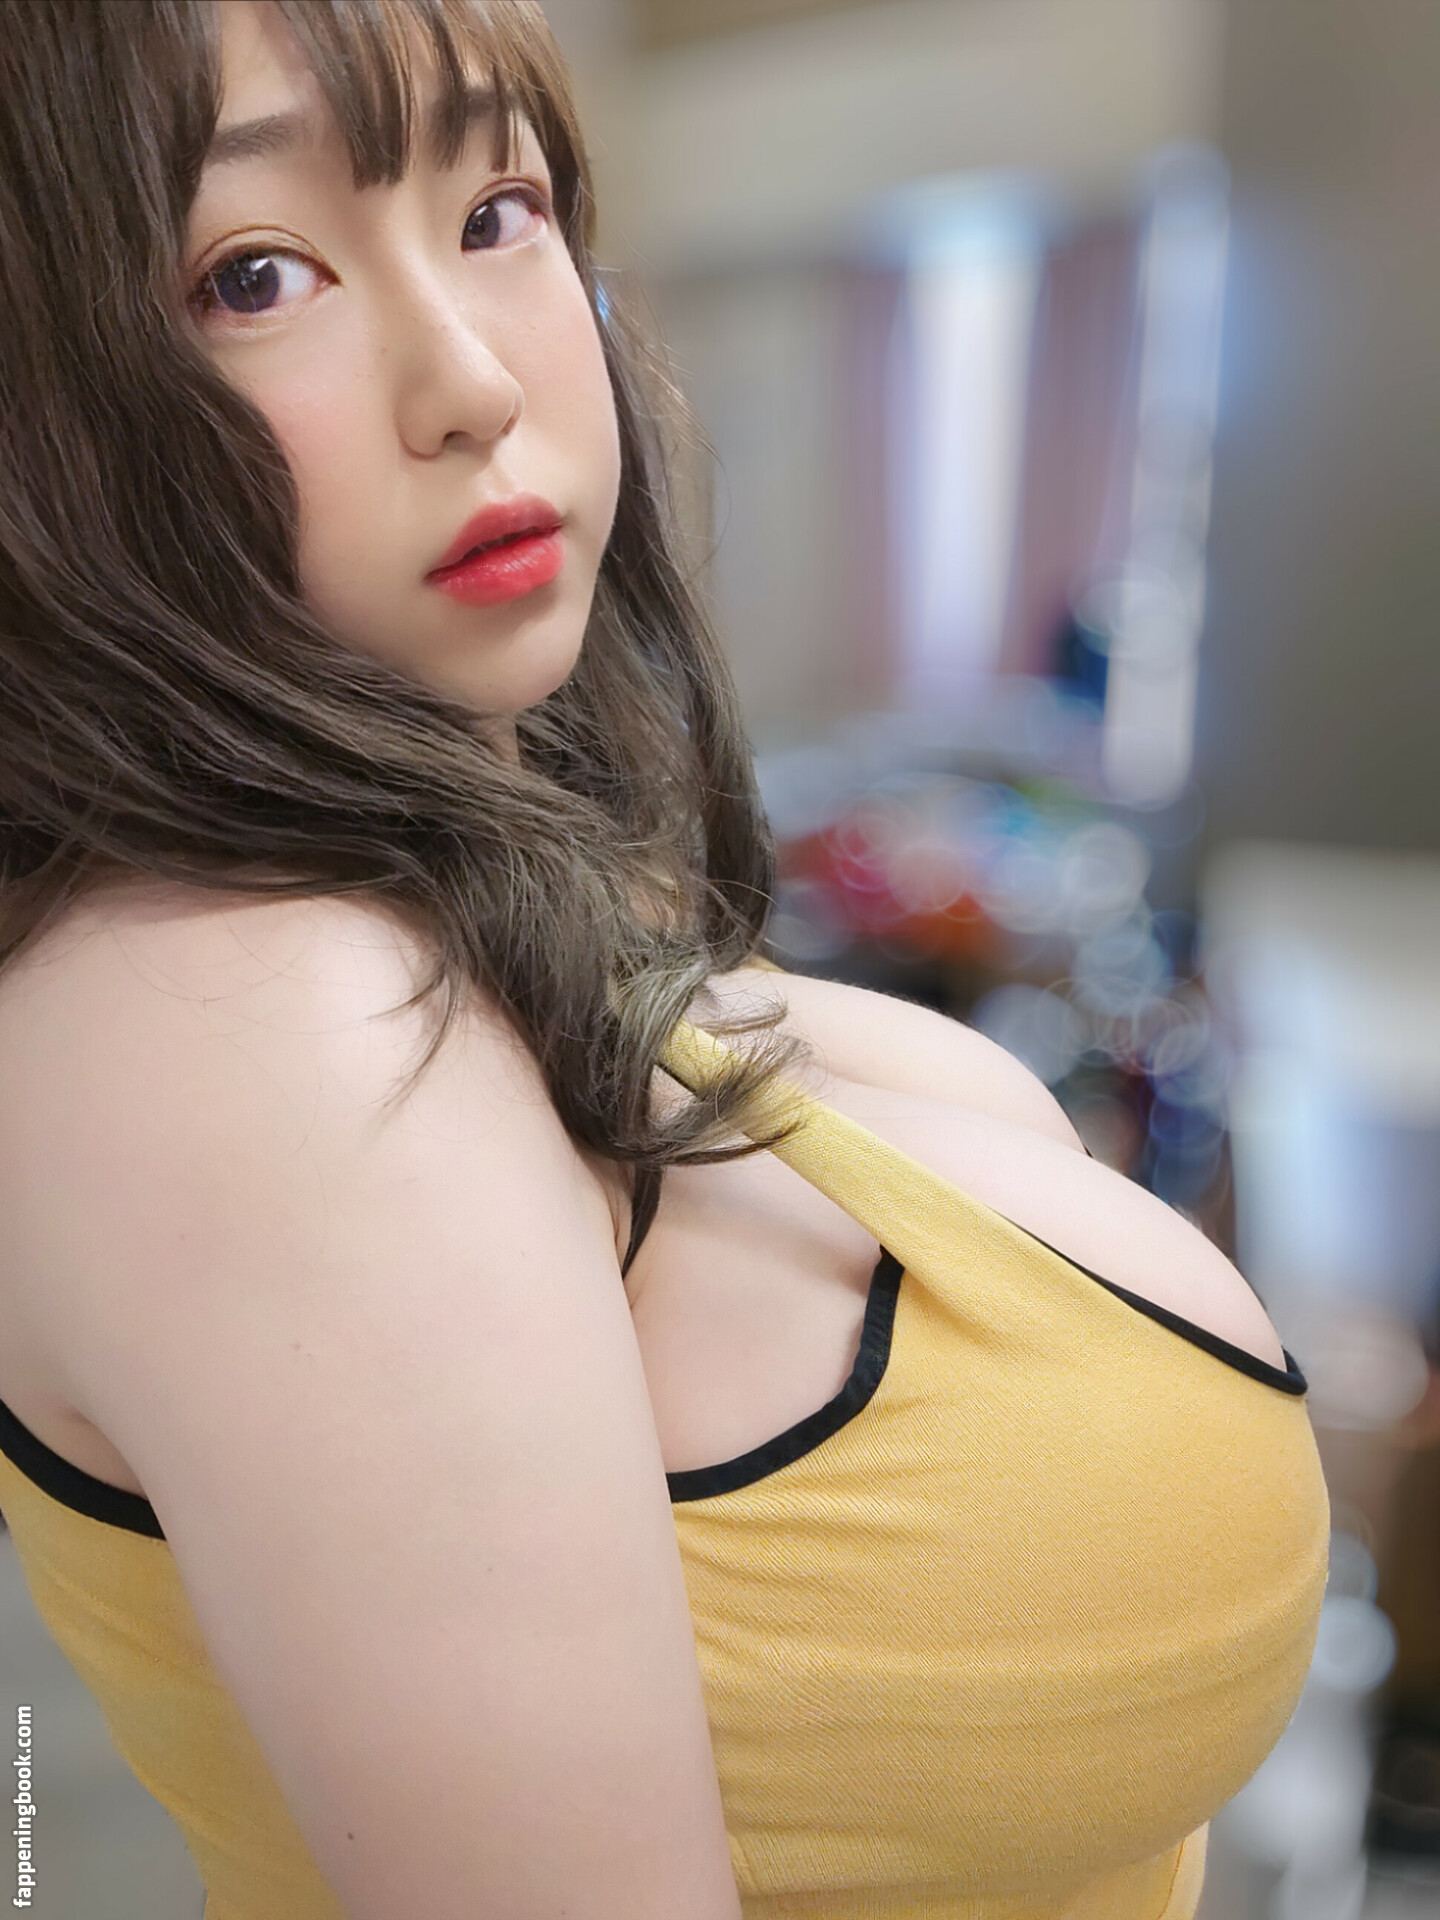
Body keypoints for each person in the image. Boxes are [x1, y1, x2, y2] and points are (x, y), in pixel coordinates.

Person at [0, 4, 1329, 1918]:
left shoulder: (456, 921)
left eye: (497, 210)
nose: (472, 382)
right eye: (255, 276)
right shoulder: (255, 1023)